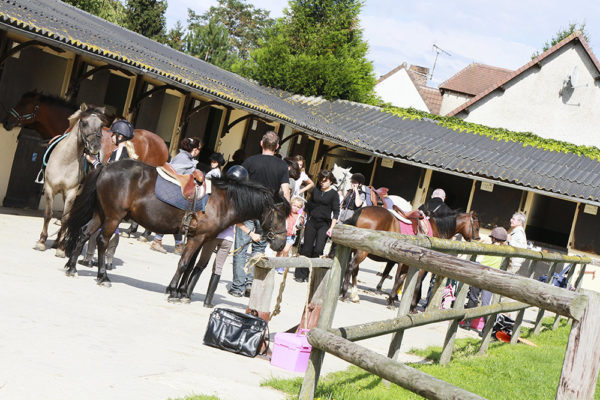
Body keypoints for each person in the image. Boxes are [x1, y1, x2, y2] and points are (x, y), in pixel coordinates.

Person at [229, 131, 290, 297]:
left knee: (241, 248)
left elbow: (240, 185)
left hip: (248, 208)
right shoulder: (282, 166)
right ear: (277, 147)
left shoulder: (250, 161)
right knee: (258, 249)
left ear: (261, 144)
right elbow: (285, 191)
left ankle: (237, 287)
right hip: (268, 213)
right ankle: (250, 284)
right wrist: (285, 213)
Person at [80, 120, 135, 269]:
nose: (111, 137)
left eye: (113, 134)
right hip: (120, 196)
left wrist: (94, 162)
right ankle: (108, 260)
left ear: (120, 136)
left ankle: (89, 258)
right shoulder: (129, 154)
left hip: (112, 195)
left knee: (97, 223)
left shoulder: (119, 153)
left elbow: (110, 174)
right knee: (113, 226)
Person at [150, 137, 203, 254]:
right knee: (175, 217)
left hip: (177, 191)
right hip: (175, 192)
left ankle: (178, 245)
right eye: (199, 149)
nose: (199, 151)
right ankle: (157, 240)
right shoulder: (184, 159)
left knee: (178, 219)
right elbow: (177, 174)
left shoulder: (184, 157)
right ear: (194, 150)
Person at [294, 169, 339, 282]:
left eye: (325, 181)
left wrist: (332, 227)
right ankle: (301, 274)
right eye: (321, 181)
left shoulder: (334, 194)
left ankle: (313, 274)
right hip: (312, 221)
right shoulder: (315, 190)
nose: (322, 183)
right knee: (306, 248)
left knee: (319, 249)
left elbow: (336, 212)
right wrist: (303, 218)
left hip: (324, 224)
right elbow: (308, 206)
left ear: (330, 181)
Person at [462, 226, 508, 331]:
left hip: (480, 274)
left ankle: (467, 323)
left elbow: (475, 246)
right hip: (492, 278)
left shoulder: (487, 246)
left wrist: (481, 241)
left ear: (493, 238)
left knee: (473, 298)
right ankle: (486, 329)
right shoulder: (506, 250)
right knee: (485, 303)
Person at [275, 196, 305, 273]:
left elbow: (301, 224)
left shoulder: (299, 215)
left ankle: (283, 266)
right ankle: (276, 264)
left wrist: (297, 227)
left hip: (291, 236)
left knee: (286, 250)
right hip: (282, 234)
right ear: (291, 204)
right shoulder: (286, 212)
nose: (296, 208)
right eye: (294, 205)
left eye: (298, 207)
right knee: (279, 251)